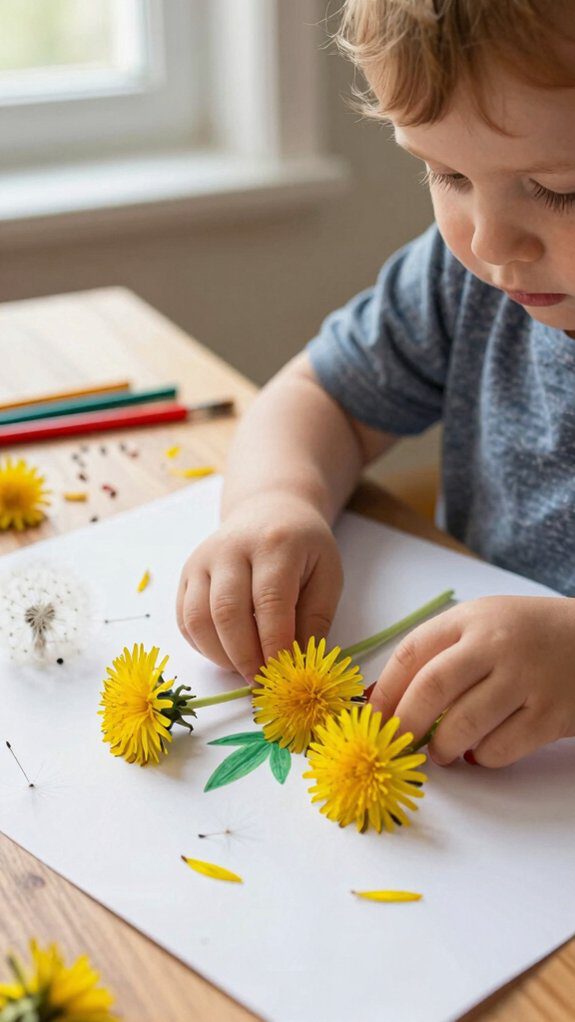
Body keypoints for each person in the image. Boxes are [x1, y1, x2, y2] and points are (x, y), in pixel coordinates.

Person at [177, 0, 575, 769]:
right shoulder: (469, 283)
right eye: (446, 173)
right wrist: (274, 502)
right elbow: (317, 396)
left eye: (562, 190)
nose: (490, 244)